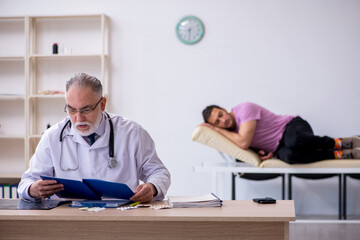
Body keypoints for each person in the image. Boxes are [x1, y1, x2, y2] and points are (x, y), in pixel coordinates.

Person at [18, 73, 171, 202]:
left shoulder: (132, 133)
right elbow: (27, 181)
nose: (78, 118)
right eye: (71, 110)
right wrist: (32, 189)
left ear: (103, 104)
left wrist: (152, 187)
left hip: (122, 217)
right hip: (68, 220)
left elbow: (159, 172)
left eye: (86, 109)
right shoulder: (53, 137)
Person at [201, 102, 360, 164]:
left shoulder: (244, 109)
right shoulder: (232, 134)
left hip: (291, 127)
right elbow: (243, 151)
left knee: (293, 142)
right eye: (217, 122)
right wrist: (261, 152)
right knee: (290, 157)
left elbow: (243, 142)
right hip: (278, 148)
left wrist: (215, 129)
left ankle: (339, 143)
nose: (223, 121)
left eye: (220, 115)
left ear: (223, 109)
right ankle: (338, 154)